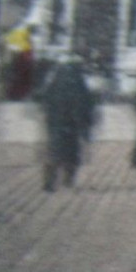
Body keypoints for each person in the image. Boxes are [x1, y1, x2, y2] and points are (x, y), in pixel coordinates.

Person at [34, 56, 96, 191]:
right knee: (72, 153)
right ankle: (68, 180)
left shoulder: (55, 81)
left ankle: (49, 182)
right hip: (71, 125)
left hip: (55, 123)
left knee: (54, 151)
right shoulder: (78, 82)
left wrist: (48, 118)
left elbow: (45, 100)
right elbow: (83, 105)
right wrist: (85, 126)